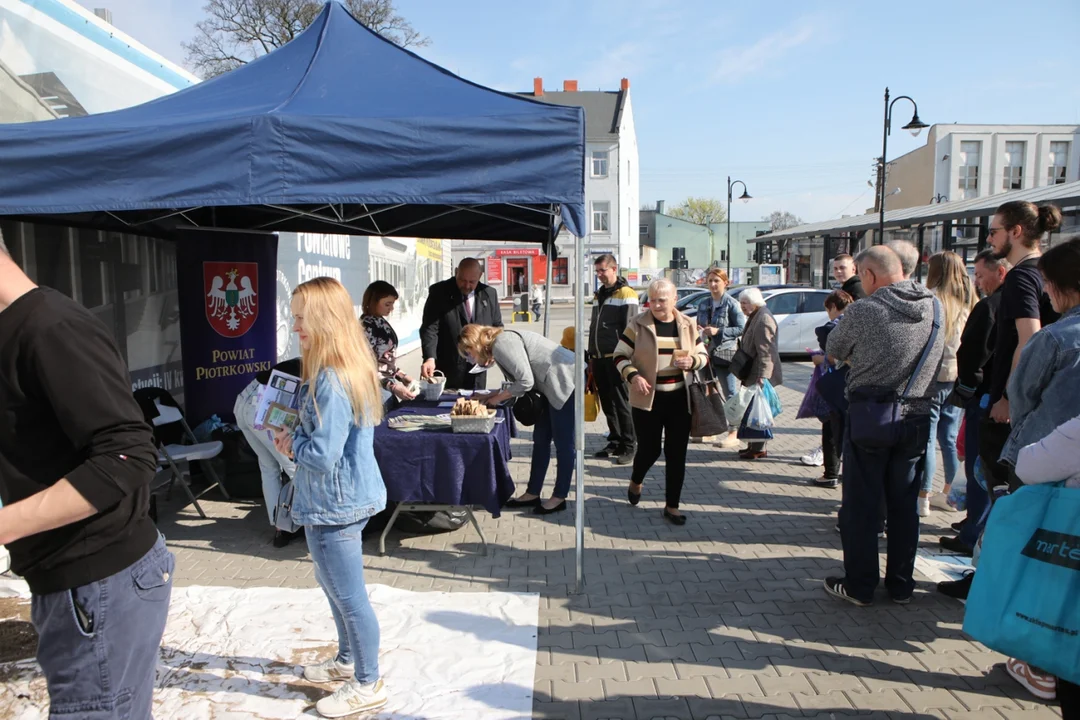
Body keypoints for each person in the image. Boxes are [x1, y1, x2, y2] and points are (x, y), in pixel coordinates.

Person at [0, 230, 173, 717]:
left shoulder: (49, 327)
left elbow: (127, 456)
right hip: (75, 583)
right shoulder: (19, 328)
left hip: (98, 584)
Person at [274, 276, 389, 718]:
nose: (295, 324)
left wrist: (292, 444)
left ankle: (368, 681)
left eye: (302, 317)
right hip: (331, 501)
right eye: (294, 315)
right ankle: (347, 662)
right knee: (335, 589)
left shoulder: (333, 379)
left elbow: (322, 455)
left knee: (349, 596)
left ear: (324, 320)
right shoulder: (333, 370)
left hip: (334, 503)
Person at [824, 245, 946, 606]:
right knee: (904, 506)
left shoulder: (865, 309)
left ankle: (860, 585)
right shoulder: (934, 306)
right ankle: (901, 584)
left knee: (861, 507)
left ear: (869, 274)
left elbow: (835, 347)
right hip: (918, 415)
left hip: (872, 416)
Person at [614, 278, 708, 525]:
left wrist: (693, 362)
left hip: (680, 399)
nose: (654, 304)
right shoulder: (637, 324)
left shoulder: (688, 324)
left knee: (677, 454)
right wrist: (633, 376)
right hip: (648, 400)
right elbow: (619, 355)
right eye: (652, 299)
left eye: (661, 300)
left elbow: (703, 355)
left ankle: (672, 506)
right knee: (650, 449)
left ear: (674, 300)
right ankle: (636, 479)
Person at [983, 202, 1062, 492]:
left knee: (1005, 492)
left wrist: (1007, 397)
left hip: (1018, 406)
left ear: (1015, 232)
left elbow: (1029, 338)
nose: (989, 239)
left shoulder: (1021, 277)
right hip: (1047, 399)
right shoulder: (1047, 272)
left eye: (994, 231)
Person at [458, 325, 576, 514]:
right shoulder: (500, 345)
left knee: (564, 445)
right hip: (551, 386)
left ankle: (559, 496)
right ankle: (533, 492)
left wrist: (496, 399)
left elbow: (525, 381)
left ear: (475, 344)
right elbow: (517, 382)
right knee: (540, 441)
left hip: (566, 382)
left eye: (468, 353)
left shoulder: (502, 344)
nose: (469, 359)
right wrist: (492, 394)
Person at [938, 250, 1009, 557]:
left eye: (981, 275)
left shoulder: (991, 307)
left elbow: (972, 355)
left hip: (985, 398)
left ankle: (972, 535)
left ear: (1001, 273)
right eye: (974, 275)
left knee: (980, 470)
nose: (977, 281)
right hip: (1000, 399)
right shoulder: (1021, 306)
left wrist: (966, 389)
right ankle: (974, 525)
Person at [920, 251, 976, 516]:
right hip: (956, 376)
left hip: (932, 377)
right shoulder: (970, 301)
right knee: (949, 437)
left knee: (928, 438)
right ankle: (952, 495)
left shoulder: (931, 300)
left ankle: (923, 497)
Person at [234, 357, 304, 548]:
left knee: (268, 468)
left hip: (244, 403)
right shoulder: (315, 371)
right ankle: (298, 523)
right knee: (294, 468)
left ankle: (280, 527)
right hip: (262, 409)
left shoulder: (298, 363)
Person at [420, 258, 503, 390]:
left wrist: (494, 352)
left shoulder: (489, 294)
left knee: (475, 406)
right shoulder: (439, 292)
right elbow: (430, 328)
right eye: (463, 280)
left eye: (472, 282)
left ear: (480, 276)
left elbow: (497, 327)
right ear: (456, 272)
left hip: (478, 367)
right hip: (449, 365)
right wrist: (429, 358)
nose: (467, 285)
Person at [588, 254, 640, 465]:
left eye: (603, 270)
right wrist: (591, 353)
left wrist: (626, 357)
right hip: (598, 357)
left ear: (614, 269)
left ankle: (629, 445)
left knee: (622, 402)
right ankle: (615, 439)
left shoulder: (626, 293)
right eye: (597, 271)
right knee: (608, 403)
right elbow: (594, 326)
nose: (599, 275)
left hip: (616, 358)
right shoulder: (599, 294)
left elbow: (631, 328)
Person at [695, 268, 745, 448]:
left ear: (726, 282)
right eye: (710, 281)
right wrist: (700, 331)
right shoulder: (703, 303)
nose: (713, 284)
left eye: (717, 280)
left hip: (725, 354)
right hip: (705, 353)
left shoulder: (731, 304)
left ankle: (734, 431)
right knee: (707, 390)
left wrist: (719, 331)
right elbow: (698, 325)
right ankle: (712, 429)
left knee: (729, 392)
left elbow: (741, 328)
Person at [808, 290, 853, 488]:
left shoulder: (829, 328)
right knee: (846, 431)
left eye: (828, 309)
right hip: (854, 387)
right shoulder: (858, 323)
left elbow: (835, 357)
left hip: (836, 386)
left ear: (833, 307)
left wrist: (821, 358)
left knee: (832, 429)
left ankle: (831, 474)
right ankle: (842, 473)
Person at [733, 287, 782, 460]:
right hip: (752, 372)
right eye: (741, 303)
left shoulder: (763, 318)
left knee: (758, 411)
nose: (742, 307)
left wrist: (763, 376)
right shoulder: (756, 315)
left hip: (759, 374)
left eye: (745, 303)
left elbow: (767, 351)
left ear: (754, 302)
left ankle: (758, 448)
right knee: (752, 410)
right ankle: (753, 445)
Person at [361, 280, 416, 402]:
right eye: (387, 304)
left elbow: (385, 360)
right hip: (376, 391)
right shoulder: (367, 326)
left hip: (386, 387)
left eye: (392, 304)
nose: (391, 308)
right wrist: (393, 386)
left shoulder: (378, 321)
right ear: (373, 302)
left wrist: (401, 376)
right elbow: (365, 366)